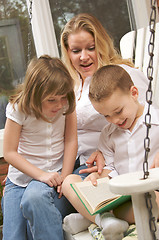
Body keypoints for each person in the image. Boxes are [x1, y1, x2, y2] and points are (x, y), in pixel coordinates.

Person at [62, 65, 159, 239]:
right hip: (118, 195)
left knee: (155, 202)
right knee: (69, 182)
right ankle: (105, 219)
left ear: (134, 93)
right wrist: (98, 179)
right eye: (106, 116)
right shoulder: (108, 134)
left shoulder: (156, 121)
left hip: (149, 194)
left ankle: (97, 218)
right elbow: (109, 169)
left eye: (118, 111)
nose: (115, 120)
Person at [60, 13, 149, 176]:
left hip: (96, 163)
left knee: (46, 196)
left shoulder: (123, 76)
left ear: (101, 45)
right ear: (67, 52)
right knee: (28, 192)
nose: (84, 57)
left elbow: (144, 123)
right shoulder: (69, 84)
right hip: (63, 161)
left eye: (91, 48)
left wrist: (107, 154)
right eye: (76, 50)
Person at [2, 55, 77, 240]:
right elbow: (9, 152)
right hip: (19, 180)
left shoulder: (66, 103)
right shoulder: (19, 108)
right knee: (13, 236)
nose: (59, 104)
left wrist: (65, 178)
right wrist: (41, 175)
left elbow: (70, 140)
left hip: (53, 175)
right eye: (52, 100)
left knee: (34, 201)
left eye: (62, 98)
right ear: (35, 94)